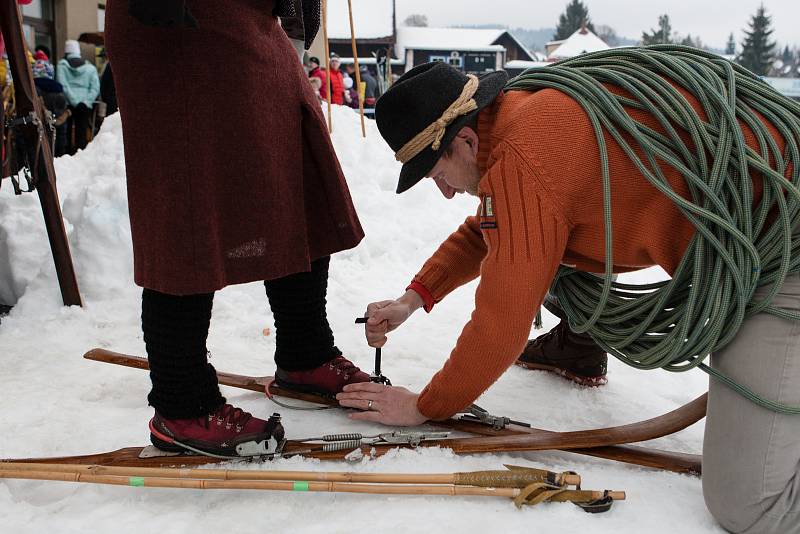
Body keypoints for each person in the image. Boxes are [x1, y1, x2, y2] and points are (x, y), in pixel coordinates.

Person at [337, 60, 800, 534]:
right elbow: (490, 231)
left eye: (438, 174)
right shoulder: (524, 114)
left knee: (749, 502)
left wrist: (423, 406)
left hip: (784, 243)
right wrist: (413, 298)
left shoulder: (524, 161)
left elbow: (502, 324)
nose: (447, 194)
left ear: (466, 141)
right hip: (768, 220)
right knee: (539, 245)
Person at [106, 0, 367, 458]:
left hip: (255, 18)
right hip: (180, 24)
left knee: (297, 172)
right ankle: (183, 405)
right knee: (187, 198)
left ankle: (306, 355)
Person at [56, 39, 99, 154]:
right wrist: (85, 102)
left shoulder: (61, 66)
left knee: (67, 132)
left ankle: (67, 155)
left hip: (68, 104)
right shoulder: (90, 68)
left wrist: (74, 101)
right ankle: (81, 153)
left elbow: (63, 85)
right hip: (85, 105)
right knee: (82, 131)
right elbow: (95, 88)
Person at [32, 51, 69, 157]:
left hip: (39, 141)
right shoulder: (59, 91)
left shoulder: (33, 90)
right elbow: (61, 122)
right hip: (57, 138)